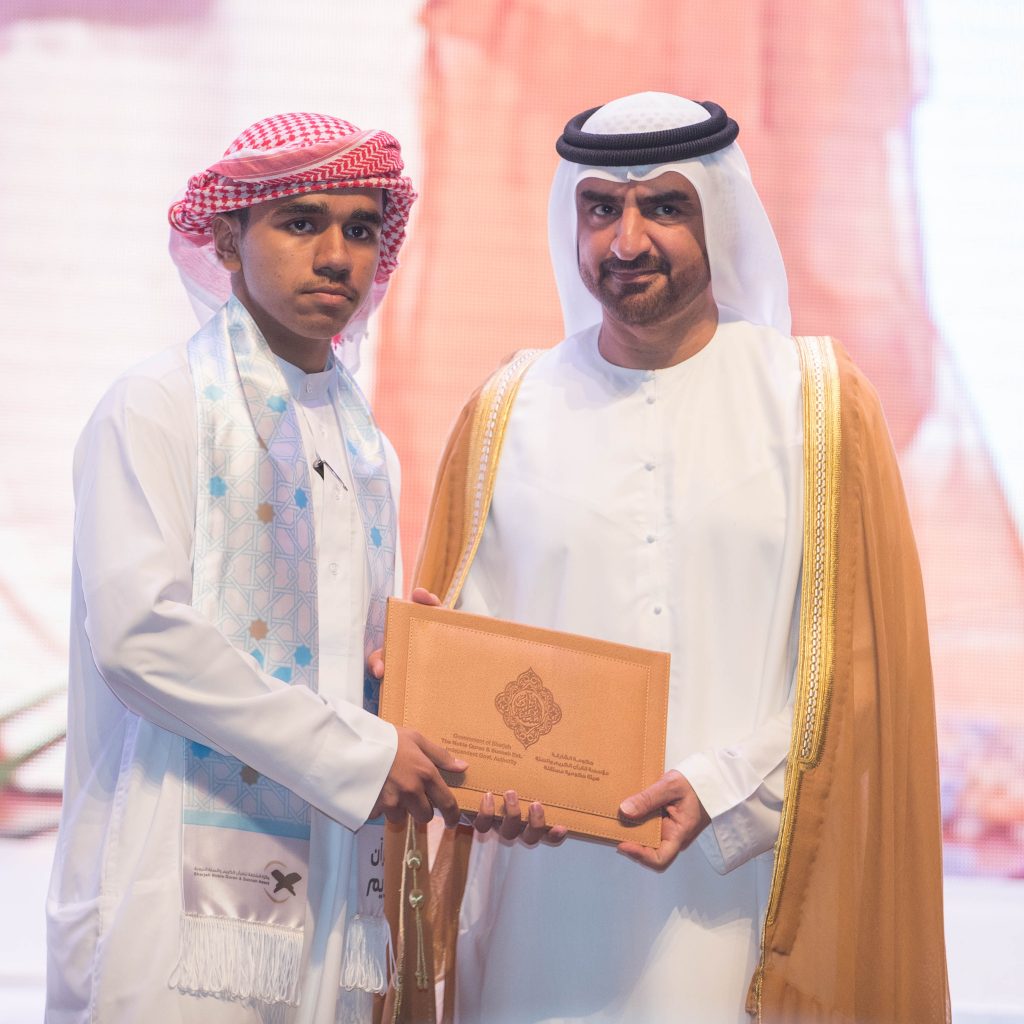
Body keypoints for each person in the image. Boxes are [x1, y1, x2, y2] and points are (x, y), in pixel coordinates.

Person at [391, 93, 949, 1023]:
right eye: (600, 208)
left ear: (717, 215)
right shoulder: (508, 407)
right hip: (542, 898)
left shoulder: (813, 402)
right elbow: (470, 641)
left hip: (741, 889)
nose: (627, 241)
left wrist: (722, 788)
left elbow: (861, 668)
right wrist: (456, 735)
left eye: (664, 207)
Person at [45, 112, 466, 1024]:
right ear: (230, 239)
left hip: (330, 896)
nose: (337, 257)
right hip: (171, 900)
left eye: (361, 229)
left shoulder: (366, 448)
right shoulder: (156, 406)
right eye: (301, 222)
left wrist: (417, 669)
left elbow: (347, 667)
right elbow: (141, 642)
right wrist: (356, 753)